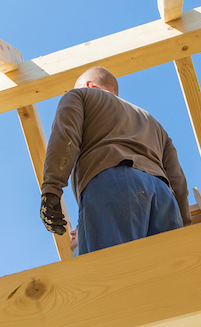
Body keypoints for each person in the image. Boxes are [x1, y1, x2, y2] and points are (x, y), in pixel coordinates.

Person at [40, 66, 191, 254]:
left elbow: (65, 138)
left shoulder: (81, 96)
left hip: (113, 184)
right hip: (163, 198)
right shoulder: (154, 124)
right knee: (168, 275)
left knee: (110, 273)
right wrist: (185, 224)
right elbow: (178, 181)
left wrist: (51, 189)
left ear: (88, 85)